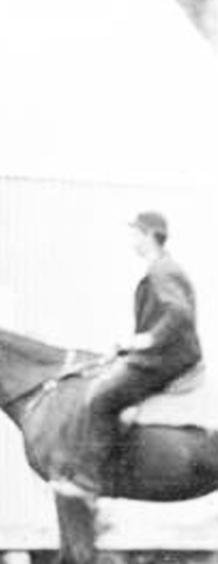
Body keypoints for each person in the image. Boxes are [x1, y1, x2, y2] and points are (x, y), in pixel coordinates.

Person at [64, 210, 203, 496]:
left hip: (166, 358)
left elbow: (179, 314)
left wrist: (147, 340)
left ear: (149, 236)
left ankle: (92, 479)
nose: (131, 239)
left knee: (101, 399)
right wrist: (129, 344)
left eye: (134, 233)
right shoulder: (162, 267)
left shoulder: (162, 270)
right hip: (163, 354)